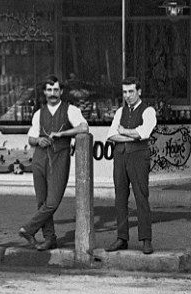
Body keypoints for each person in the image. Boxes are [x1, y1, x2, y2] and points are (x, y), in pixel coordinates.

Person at [17, 75, 89, 251]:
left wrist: (62, 134)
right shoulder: (38, 113)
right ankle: (50, 239)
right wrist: (38, 140)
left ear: (61, 91)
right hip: (40, 158)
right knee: (42, 202)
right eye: (49, 90)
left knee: (53, 202)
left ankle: (28, 229)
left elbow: (84, 127)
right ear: (44, 92)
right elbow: (31, 138)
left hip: (59, 157)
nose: (52, 93)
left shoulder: (70, 110)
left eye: (56, 90)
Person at [106, 77, 157, 254]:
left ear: (139, 91)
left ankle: (146, 239)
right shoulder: (120, 111)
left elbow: (144, 132)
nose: (128, 96)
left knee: (141, 196)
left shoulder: (148, 111)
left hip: (138, 157)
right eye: (125, 92)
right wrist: (131, 136)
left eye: (131, 91)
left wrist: (124, 131)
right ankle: (122, 238)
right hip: (120, 157)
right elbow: (111, 135)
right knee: (120, 197)